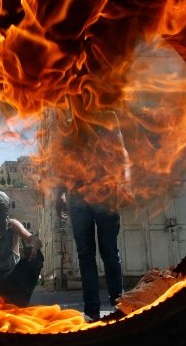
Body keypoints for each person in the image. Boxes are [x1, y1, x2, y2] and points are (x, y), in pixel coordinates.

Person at [55, 107, 132, 321]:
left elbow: (120, 151)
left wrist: (125, 184)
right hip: (78, 196)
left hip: (105, 193)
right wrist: (60, 193)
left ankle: (119, 305)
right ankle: (92, 311)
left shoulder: (108, 116)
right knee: (86, 255)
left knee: (109, 252)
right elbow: (65, 163)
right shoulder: (72, 125)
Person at [0, 191, 44, 307]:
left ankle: (19, 302)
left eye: (0, 210)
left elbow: (35, 240)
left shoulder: (12, 225)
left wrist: (33, 248)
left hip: (11, 280)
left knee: (37, 258)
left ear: (6, 211)